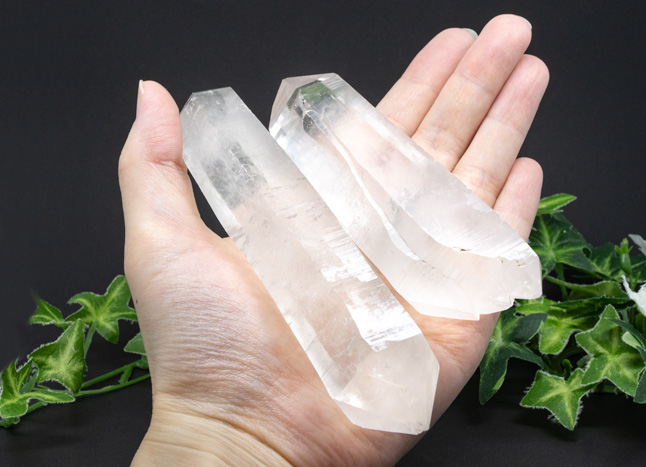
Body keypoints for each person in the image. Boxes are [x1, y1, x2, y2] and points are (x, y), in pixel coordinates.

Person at [119, 14, 548, 466]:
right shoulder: (219, 127)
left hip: (407, 360)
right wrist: (234, 437)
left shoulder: (296, 103)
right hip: (379, 384)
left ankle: (495, 273)